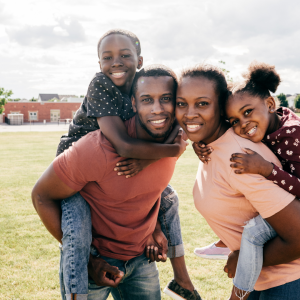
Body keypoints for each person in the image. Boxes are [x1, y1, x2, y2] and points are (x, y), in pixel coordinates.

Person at [32, 65, 202, 300]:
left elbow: (147, 190)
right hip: (96, 265)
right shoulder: (97, 149)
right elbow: (41, 196)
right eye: (146, 100)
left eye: (166, 99)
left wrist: (156, 227)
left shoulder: (177, 139)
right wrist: (90, 261)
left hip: (142, 260)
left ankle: (182, 281)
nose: (157, 109)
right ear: (133, 104)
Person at [175, 63, 300, 300]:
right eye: (182, 103)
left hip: (288, 282)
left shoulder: (241, 157)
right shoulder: (212, 146)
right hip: (263, 280)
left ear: (219, 107)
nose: (190, 113)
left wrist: (242, 258)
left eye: (202, 103)